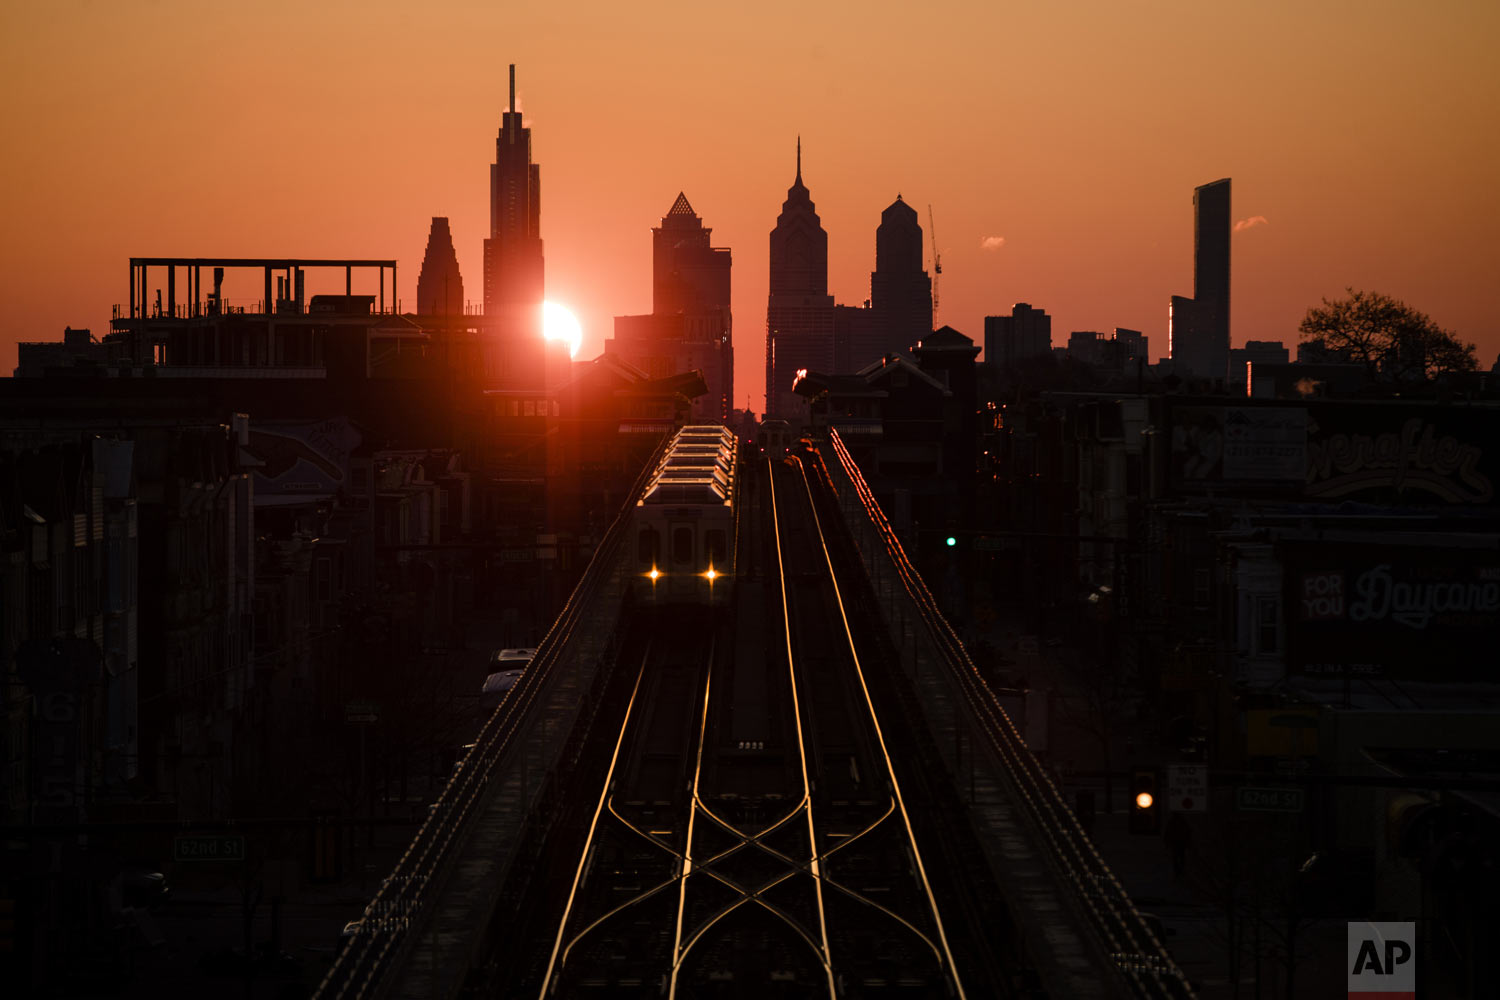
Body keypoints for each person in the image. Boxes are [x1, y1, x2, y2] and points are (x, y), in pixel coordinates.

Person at [1163, 811, 1191, 878]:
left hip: (1177, 843)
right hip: (1179, 843)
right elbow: (1188, 832)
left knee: (1177, 858)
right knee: (1180, 858)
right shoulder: (1182, 821)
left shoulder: (1173, 822)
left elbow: (1167, 833)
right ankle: (1180, 872)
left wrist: (1166, 842)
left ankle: (1179, 872)